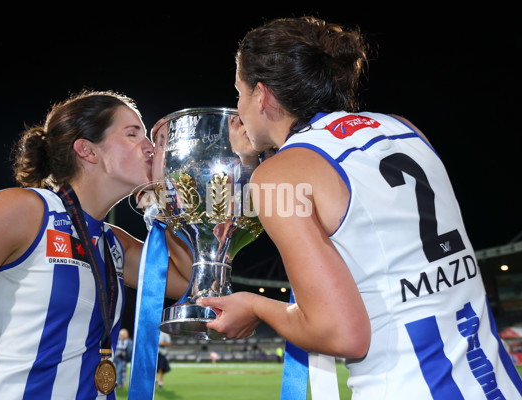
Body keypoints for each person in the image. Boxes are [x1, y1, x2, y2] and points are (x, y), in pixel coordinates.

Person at [198, 16, 522, 399]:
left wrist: (254, 305)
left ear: (263, 95)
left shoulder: (279, 175)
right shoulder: (403, 128)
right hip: (497, 382)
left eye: (239, 93)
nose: (238, 108)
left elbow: (341, 333)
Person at [0, 90, 193, 399]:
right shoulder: (25, 211)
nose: (151, 148)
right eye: (134, 134)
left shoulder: (113, 242)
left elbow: (190, 282)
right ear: (87, 150)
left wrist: (167, 202)